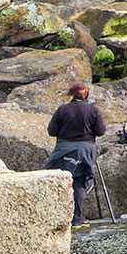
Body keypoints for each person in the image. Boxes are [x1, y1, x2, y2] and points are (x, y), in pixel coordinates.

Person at [44, 82, 105, 226]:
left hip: (63, 150)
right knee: (79, 182)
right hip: (85, 149)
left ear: (71, 94)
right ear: (87, 94)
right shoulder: (93, 110)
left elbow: (52, 131)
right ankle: (78, 219)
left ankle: (53, 216)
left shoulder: (62, 109)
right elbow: (100, 131)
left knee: (52, 178)